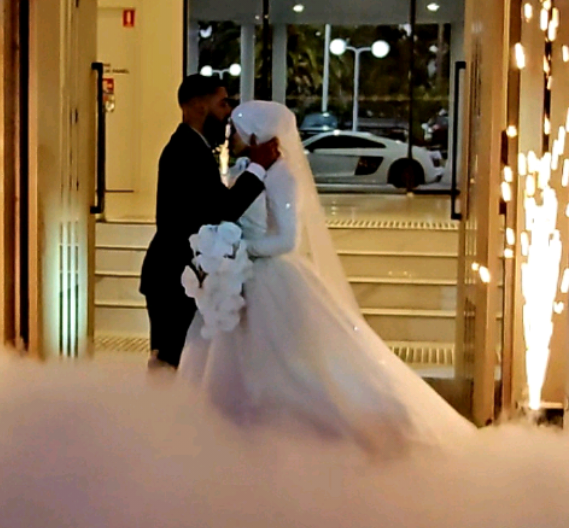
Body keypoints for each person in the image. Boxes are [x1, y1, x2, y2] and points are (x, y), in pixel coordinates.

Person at [179, 101, 474, 453]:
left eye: (240, 128)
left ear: (257, 133)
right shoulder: (250, 168)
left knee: (286, 367)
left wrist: (242, 247)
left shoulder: (283, 176)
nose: (234, 133)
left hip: (270, 279)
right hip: (244, 278)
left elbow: (288, 239)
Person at [140, 76, 280, 369]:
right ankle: (157, 412)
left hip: (179, 271)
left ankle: (162, 410)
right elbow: (221, 209)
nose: (228, 111)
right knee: (170, 359)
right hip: (173, 273)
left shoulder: (195, 147)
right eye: (222, 103)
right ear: (198, 105)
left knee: (176, 360)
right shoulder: (185, 151)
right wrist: (258, 167)